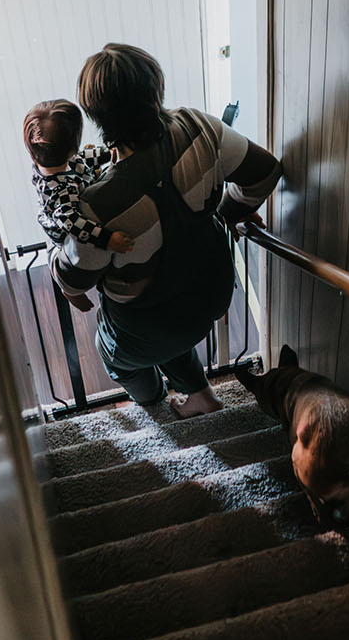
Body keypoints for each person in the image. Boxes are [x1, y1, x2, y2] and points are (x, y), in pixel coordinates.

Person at [53, 44, 281, 417]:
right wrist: (228, 213)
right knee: (171, 323)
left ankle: (155, 406)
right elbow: (265, 172)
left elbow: (74, 278)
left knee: (117, 357)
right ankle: (201, 396)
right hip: (209, 295)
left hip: (146, 325)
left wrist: (54, 260)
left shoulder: (98, 204)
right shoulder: (198, 127)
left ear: (96, 116)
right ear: (156, 89)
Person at [23, 99, 134, 311]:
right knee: (72, 266)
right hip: (62, 232)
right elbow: (73, 224)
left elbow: (82, 159)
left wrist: (107, 153)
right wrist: (107, 238)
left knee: (86, 165)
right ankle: (69, 291)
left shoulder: (53, 160)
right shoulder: (62, 192)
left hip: (72, 192)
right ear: (71, 148)